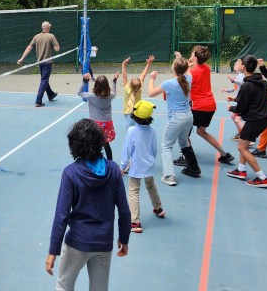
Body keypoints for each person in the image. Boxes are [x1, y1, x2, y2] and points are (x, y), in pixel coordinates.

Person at [46, 119, 130, 290]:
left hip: (77, 242)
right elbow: (124, 210)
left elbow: (61, 215)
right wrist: (124, 238)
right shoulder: (113, 170)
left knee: (63, 286)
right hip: (103, 242)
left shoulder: (70, 173)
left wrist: (53, 250)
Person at [172, 46, 234, 172]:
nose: (190, 54)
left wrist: (179, 62)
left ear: (195, 57)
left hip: (198, 106)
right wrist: (181, 59)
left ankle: (186, 157)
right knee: (201, 132)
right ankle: (224, 154)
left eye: (192, 54)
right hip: (210, 105)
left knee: (183, 134)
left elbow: (181, 74)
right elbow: (189, 67)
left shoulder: (192, 72)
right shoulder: (206, 68)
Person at [225, 55, 267, 188]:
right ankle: (241, 170)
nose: (237, 63)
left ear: (244, 67)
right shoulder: (259, 81)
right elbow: (252, 98)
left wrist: (231, 108)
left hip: (255, 120)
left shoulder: (246, 85)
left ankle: (262, 178)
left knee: (242, 147)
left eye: (239, 62)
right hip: (263, 118)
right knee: (243, 143)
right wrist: (235, 99)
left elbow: (241, 107)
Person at [119, 100, 166, 232]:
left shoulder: (132, 131)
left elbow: (127, 150)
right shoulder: (153, 131)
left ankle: (135, 222)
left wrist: (122, 166)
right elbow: (154, 149)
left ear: (135, 115)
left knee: (134, 191)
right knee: (151, 186)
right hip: (148, 165)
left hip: (136, 167)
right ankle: (158, 208)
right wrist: (150, 161)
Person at [147, 57, 193, 186]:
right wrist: (182, 61)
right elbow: (187, 70)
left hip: (176, 118)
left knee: (166, 146)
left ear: (173, 68)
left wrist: (152, 79)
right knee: (184, 142)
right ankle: (194, 168)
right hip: (188, 116)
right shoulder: (189, 78)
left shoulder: (168, 83)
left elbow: (151, 93)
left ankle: (169, 176)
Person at [77, 72, 119, 161]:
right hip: (107, 124)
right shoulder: (110, 95)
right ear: (107, 86)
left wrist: (84, 81)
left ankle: (93, 162)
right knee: (106, 145)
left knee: (93, 144)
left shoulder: (92, 96)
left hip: (95, 124)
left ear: (96, 86)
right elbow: (114, 92)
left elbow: (79, 92)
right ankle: (110, 162)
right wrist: (114, 81)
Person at [18, 21, 60, 107]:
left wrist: (22, 58)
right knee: (44, 81)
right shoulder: (51, 36)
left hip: (40, 63)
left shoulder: (36, 36)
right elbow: (57, 49)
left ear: (42, 28)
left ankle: (51, 94)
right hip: (47, 63)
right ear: (48, 28)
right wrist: (54, 45)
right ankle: (38, 101)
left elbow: (29, 48)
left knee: (44, 79)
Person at [120, 55, 154, 128]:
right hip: (138, 114)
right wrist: (148, 64)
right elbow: (143, 75)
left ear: (130, 84)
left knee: (130, 131)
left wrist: (123, 65)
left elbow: (124, 77)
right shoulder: (140, 88)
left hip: (128, 113)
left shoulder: (127, 89)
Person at [221, 58, 245, 141]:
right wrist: (227, 90)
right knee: (234, 117)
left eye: (238, 63)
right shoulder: (238, 76)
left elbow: (240, 82)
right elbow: (236, 87)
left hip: (243, 102)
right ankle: (241, 133)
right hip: (239, 101)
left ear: (243, 67)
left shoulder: (241, 75)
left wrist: (233, 80)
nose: (235, 64)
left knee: (237, 119)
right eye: (235, 63)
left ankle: (247, 137)